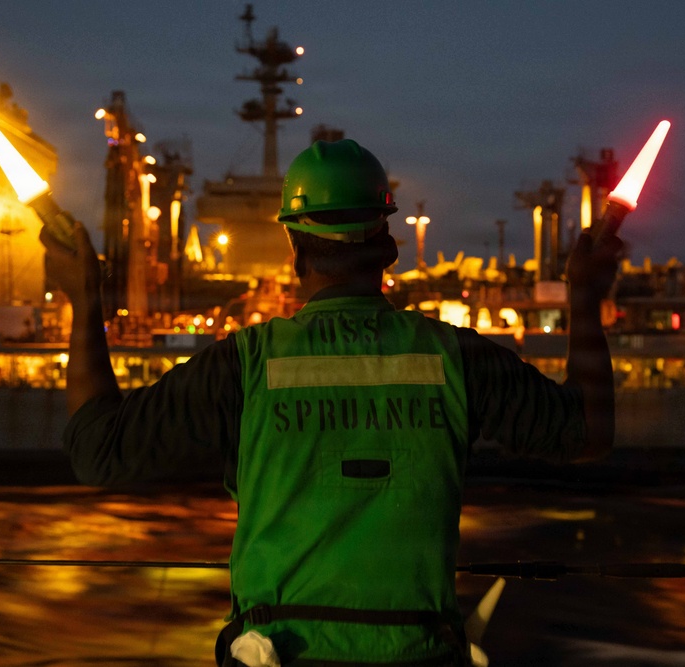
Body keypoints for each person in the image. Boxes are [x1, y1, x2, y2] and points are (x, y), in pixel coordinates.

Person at [41, 138, 621, 667]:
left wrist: (85, 298)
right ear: (388, 244)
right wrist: (585, 297)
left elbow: (98, 450)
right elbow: (587, 431)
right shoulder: (454, 359)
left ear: (294, 244)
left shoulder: (244, 365)